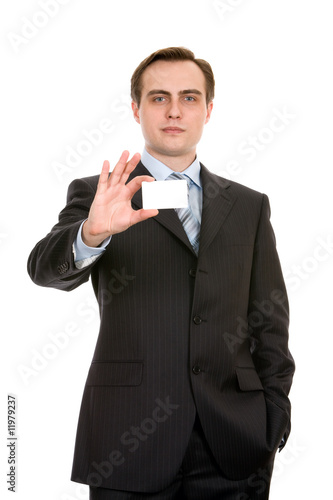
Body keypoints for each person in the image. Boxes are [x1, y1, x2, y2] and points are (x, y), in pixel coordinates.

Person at [28, 47, 295, 499]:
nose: (174, 111)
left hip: (234, 445)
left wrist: (273, 419)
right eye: (158, 98)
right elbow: (44, 270)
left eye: (190, 98)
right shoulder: (100, 196)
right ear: (136, 108)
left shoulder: (249, 206)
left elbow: (270, 324)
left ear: (209, 110)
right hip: (128, 440)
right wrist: (92, 232)